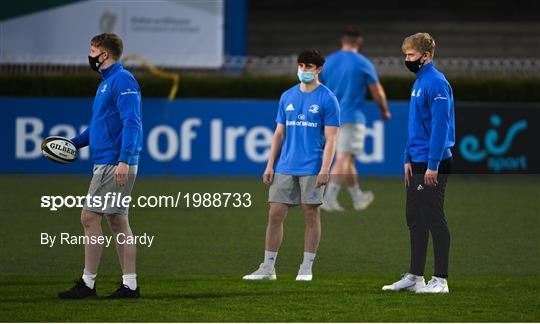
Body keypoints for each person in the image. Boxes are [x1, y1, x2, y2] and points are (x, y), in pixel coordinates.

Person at [58, 33, 143, 299]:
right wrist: (72, 144)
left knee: (89, 217)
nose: (90, 55)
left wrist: (124, 159)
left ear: (104, 54)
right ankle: (129, 286)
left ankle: (88, 283)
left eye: (93, 50)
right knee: (118, 221)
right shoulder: (107, 83)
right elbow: (97, 127)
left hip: (113, 162)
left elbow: (132, 122)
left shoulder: (122, 80)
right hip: (109, 161)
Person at [243, 49, 340, 281]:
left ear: (319, 69)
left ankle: (306, 267)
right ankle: (268, 268)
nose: (304, 70)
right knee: (274, 214)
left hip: (312, 166)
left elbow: (332, 138)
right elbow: (279, 134)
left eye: (309, 67)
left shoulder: (328, 98)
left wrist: (325, 168)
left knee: (310, 215)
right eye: (301, 66)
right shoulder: (287, 96)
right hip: (285, 165)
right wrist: (269, 165)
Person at [382, 32, 455, 293]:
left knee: (434, 217)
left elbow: (439, 127)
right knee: (414, 218)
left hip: (433, 163)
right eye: (405, 55)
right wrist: (406, 158)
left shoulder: (436, 83)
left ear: (425, 56)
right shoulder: (420, 82)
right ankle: (415, 277)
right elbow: (416, 127)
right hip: (417, 160)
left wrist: (433, 164)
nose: (407, 59)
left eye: (411, 55)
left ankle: (441, 280)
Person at [319, 27, 391, 212]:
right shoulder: (363, 63)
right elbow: (376, 90)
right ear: (359, 41)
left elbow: (318, 89)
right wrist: (384, 110)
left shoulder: (328, 61)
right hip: (351, 116)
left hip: (330, 117)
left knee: (347, 158)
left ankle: (357, 196)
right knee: (343, 157)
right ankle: (329, 197)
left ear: (342, 40)